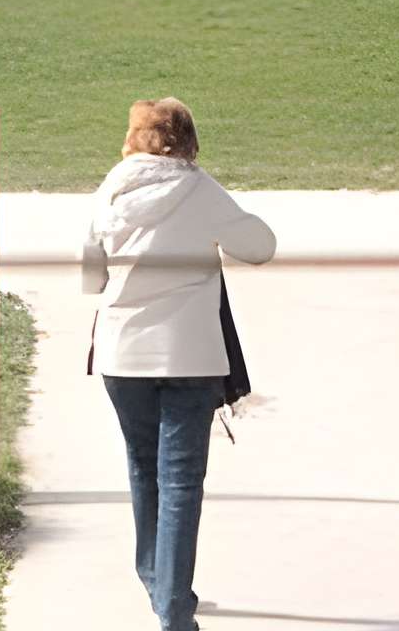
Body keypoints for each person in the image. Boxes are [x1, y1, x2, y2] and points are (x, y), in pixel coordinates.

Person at [82, 98, 275, 631]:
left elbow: (89, 275)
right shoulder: (199, 187)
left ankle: (156, 580)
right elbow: (259, 246)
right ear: (187, 141)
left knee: (144, 467)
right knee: (182, 481)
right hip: (190, 354)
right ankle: (172, 608)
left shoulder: (111, 188)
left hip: (123, 356)